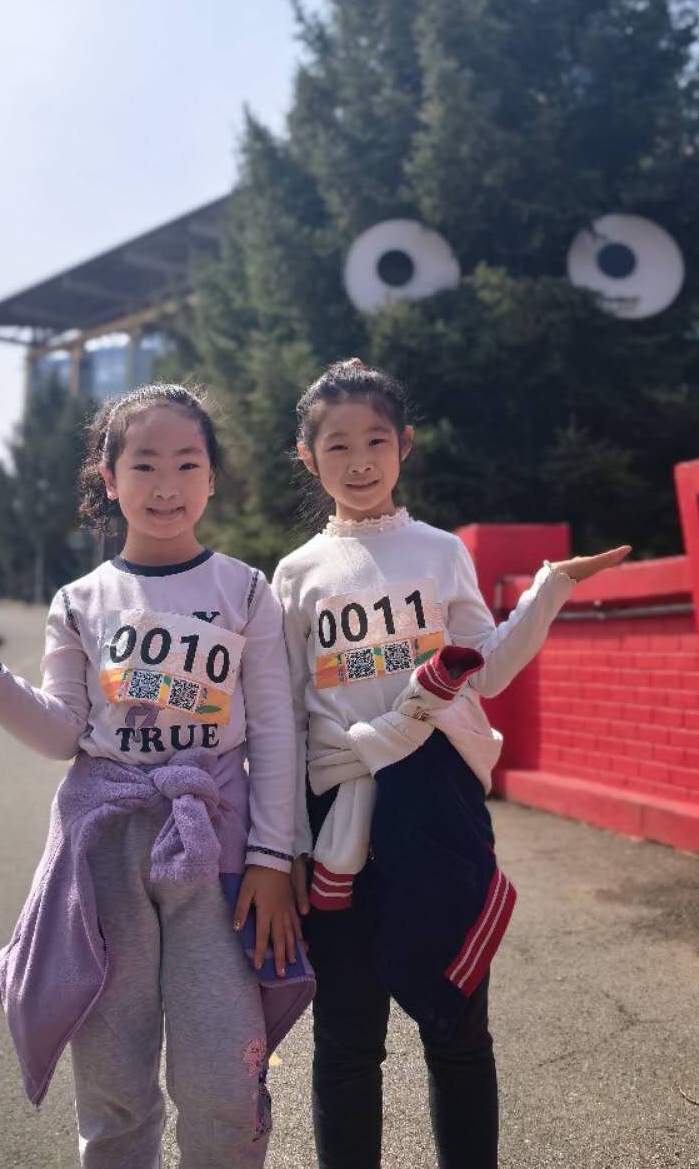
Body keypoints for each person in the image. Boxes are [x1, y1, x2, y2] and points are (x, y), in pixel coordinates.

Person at [0, 382, 312, 1169]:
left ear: (213, 477)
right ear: (109, 478)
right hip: (102, 857)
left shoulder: (246, 590)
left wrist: (274, 859)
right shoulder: (78, 601)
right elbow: (62, 733)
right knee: (114, 1088)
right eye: (144, 464)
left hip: (215, 851)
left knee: (223, 1079)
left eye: (188, 462)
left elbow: (276, 731)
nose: (167, 485)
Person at [274, 359, 630, 1169]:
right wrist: (287, 844)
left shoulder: (439, 553)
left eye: (375, 441)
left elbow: (486, 668)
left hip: (439, 814)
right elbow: (286, 717)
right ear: (308, 456)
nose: (358, 462)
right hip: (338, 822)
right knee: (348, 1041)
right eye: (337, 445)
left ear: (404, 445)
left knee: (458, 1031)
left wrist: (549, 589)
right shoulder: (293, 574)